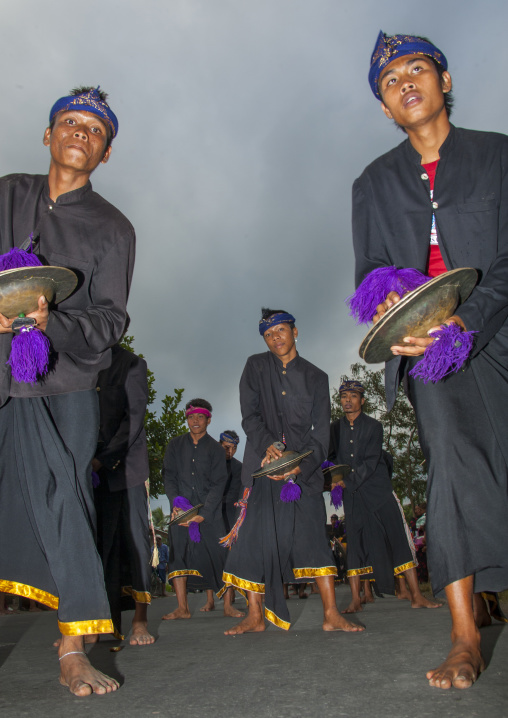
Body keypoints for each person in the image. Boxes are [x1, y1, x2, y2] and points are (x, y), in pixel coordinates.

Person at [352, 32, 508, 689]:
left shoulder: (498, 155)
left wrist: (468, 320)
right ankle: (466, 635)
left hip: (497, 326)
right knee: (452, 465)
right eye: (390, 79)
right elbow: (369, 279)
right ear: (385, 108)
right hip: (429, 351)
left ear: (444, 81)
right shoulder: (372, 184)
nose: (405, 81)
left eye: (417, 68)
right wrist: (399, 309)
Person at [0, 86, 135, 695]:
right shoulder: (5, 193)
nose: (81, 132)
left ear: (105, 153)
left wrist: (50, 321)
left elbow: (110, 322)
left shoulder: (114, 228)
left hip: (66, 382)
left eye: (95, 130)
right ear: (48, 135)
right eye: (70, 122)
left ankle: (72, 645)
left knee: (68, 502)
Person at [222, 308, 364, 635]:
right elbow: (250, 415)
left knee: (314, 537)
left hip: (304, 472)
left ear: (295, 332)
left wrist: (301, 463)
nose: (276, 338)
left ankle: (331, 613)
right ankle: (255, 616)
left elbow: (321, 432)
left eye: (281, 331)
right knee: (255, 541)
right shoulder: (255, 367)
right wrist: (269, 445)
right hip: (261, 465)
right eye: (269, 335)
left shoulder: (317, 377)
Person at [328, 380, 440, 614]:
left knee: (397, 538)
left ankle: (417, 595)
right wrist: (332, 479)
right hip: (353, 495)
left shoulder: (374, 426)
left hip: (378, 490)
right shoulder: (334, 429)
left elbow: (370, 462)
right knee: (356, 546)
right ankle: (355, 600)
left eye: (353, 396)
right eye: (344, 396)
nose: (347, 400)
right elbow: (330, 459)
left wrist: (346, 481)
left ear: (362, 400)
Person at [93, 341, 154, 646]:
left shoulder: (132, 364)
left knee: (135, 543)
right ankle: (100, 622)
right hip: (91, 472)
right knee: (100, 546)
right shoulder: (80, 360)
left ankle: (140, 621)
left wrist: (103, 458)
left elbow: (133, 419)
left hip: (126, 467)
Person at [163, 399, 244, 620]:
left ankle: (227, 606)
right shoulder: (175, 445)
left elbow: (219, 482)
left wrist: (204, 513)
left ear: (209, 419)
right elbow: (168, 476)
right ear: (187, 419)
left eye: (200, 417)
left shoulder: (216, 450)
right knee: (178, 555)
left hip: (211, 513)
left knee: (220, 556)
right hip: (180, 511)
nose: (195, 421)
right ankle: (182, 608)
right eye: (191, 417)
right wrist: (175, 502)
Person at [219, 430, 243, 533]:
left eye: (234, 448)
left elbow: (233, 495)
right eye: (227, 447)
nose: (230, 452)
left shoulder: (238, 467)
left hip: (227, 520)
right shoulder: (207, 464)